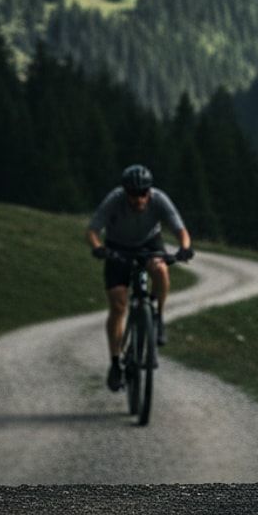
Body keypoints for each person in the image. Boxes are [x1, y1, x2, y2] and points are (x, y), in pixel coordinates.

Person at [87, 164, 193, 392]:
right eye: (133, 194)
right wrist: (98, 248)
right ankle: (115, 363)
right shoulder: (114, 199)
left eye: (143, 193)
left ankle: (157, 317)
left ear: (149, 191)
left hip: (149, 245)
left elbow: (180, 229)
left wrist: (184, 249)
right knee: (118, 305)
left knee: (161, 269)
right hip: (117, 249)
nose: (139, 199)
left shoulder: (159, 199)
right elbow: (93, 230)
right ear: (125, 192)